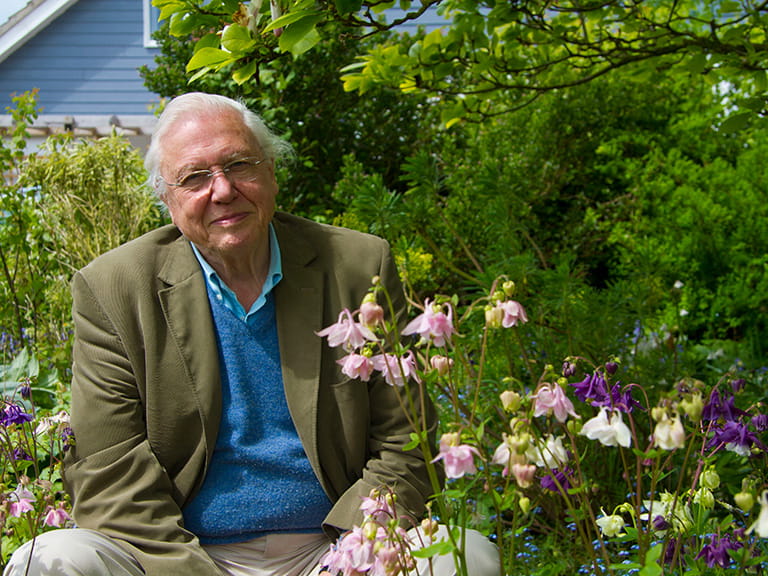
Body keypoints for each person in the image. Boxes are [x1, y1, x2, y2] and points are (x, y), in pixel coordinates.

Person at [5, 92, 499, 576]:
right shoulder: (113, 288)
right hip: (173, 554)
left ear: (271, 172)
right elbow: (109, 471)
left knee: (465, 556)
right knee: (48, 562)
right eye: (195, 177)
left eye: (240, 165)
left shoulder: (356, 266)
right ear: (166, 197)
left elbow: (405, 441)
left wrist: (354, 548)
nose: (222, 190)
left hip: (333, 548)